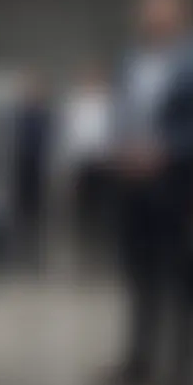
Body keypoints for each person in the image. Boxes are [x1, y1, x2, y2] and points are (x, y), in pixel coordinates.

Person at [101, 0, 193, 385]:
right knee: (138, 276)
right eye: (146, 7)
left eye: (160, 7)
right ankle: (138, 363)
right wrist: (119, 146)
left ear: (181, 13)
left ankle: (184, 376)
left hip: (178, 186)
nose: (151, 15)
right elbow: (119, 111)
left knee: (183, 281)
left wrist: (163, 150)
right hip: (133, 184)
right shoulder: (129, 61)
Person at [58, 66, 113, 274]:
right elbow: (68, 133)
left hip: (104, 160)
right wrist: (67, 161)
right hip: (81, 161)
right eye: (88, 78)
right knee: (83, 204)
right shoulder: (75, 103)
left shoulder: (111, 101)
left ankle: (104, 242)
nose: (92, 82)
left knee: (104, 203)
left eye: (95, 78)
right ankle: (85, 241)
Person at [13, 72, 53, 270]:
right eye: (31, 90)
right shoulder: (20, 115)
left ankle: (37, 252)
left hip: (39, 166)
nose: (33, 93)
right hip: (21, 166)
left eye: (37, 90)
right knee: (22, 209)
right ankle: (22, 249)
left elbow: (51, 142)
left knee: (38, 210)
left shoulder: (46, 115)